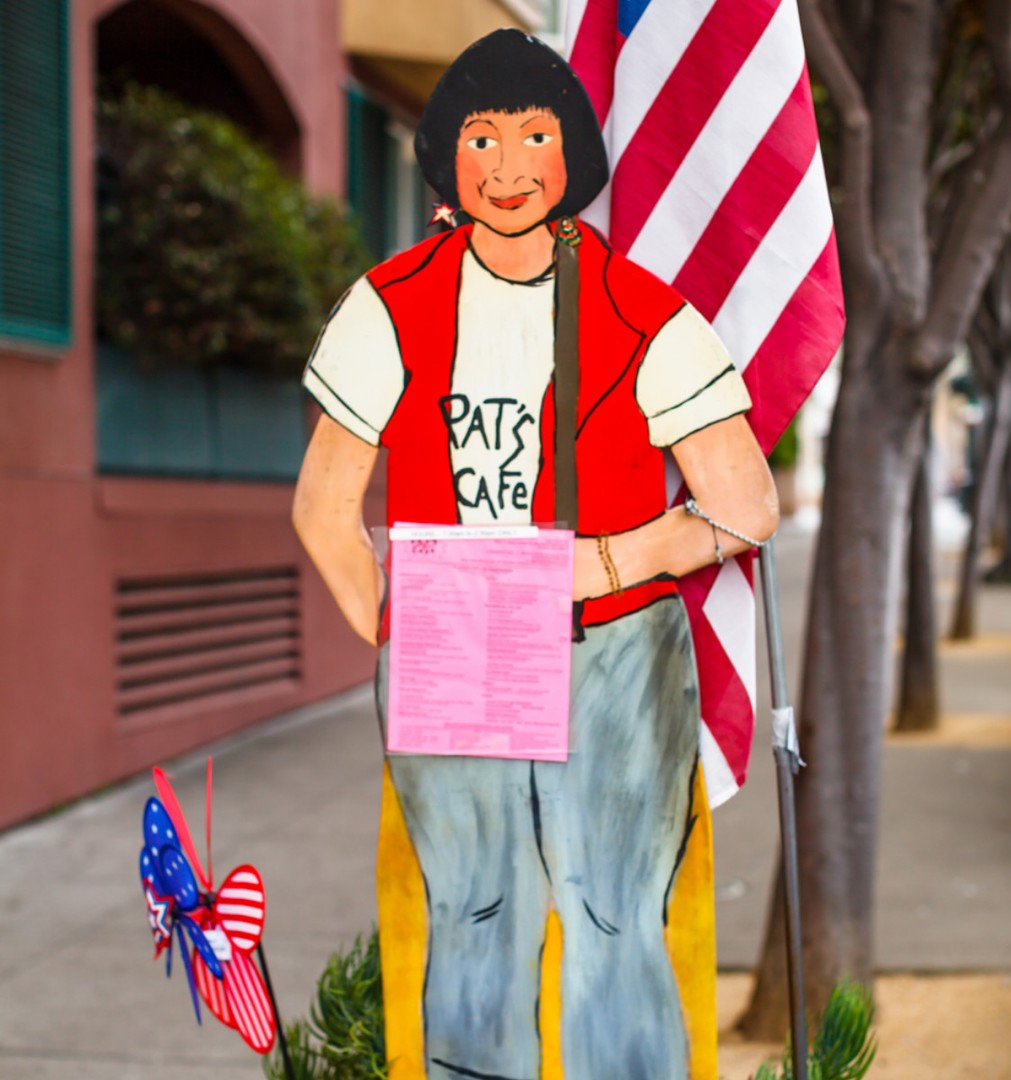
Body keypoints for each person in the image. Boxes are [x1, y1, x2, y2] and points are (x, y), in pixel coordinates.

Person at [293, 29, 778, 1080]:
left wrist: (606, 562)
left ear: (573, 156)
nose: (508, 167)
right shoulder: (390, 304)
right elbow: (324, 506)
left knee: (618, 918)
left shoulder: (640, 309)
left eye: (535, 137)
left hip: (618, 653)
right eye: (481, 138)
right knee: (471, 913)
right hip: (455, 640)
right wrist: (398, 623)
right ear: (446, 154)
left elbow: (746, 503)